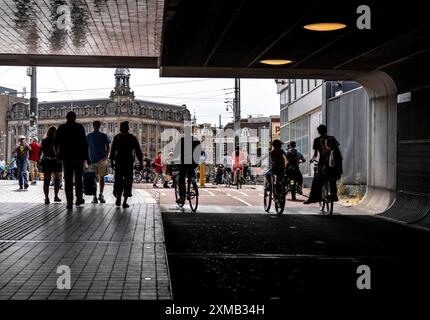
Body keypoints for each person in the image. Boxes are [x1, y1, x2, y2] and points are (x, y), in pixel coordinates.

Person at [54, 111, 89, 209]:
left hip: (66, 157)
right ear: (75, 117)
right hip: (78, 156)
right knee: (78, 178)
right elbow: (84, 143)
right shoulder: (80, 127)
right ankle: (79, 198)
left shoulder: (61, 128)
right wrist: (86, 157)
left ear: (66, 117)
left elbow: (55, 142)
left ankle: (69, 201)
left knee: (68, 179)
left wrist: (57, 153)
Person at [304, 124, 342, 204]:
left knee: (317, 180)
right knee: (332, 178)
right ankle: (334, 195)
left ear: (318, 132)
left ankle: (314, 198)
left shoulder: (317, 140)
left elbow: (315, 155)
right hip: (335, 166)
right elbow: (337, 152)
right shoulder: (332, 139)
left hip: (323, 164)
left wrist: (311, 160)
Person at [109, 121, 143, 208]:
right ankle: (124, 202)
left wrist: (112, 162)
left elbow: (112, 151)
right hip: (128, 162)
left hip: (119, 161)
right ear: (128, 128)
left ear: (120, 128)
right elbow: (138, 151)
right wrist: (141, 162)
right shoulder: (132, 138)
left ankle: (118, 198)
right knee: (128, 182)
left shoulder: (117, 137)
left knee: (118, 180)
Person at [86, 121, 111, 204]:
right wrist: (106, 156)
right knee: (99, 178)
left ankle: (97, 196)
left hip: (97, 160)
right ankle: (97, 195)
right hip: (96, 160)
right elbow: (108, 147)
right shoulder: (102, 135)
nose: (96, 126)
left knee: (96, 178)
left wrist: (106, 156)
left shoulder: (89, 136)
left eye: (97, 125)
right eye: (96, 125)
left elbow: (108, 147)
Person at [173, 134, 202, 205]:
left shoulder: (181, 140)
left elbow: (176, 153)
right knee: (191, 171)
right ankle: (193, 182)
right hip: (194, 163)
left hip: (184, 162)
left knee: (181, 177)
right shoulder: (196, 140)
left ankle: (182, 197)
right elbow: (200, 151)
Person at [38, 127, 62, 204]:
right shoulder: (57, 140)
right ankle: (56, 196)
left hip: (47, 161)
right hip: (55, 161)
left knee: (46, 180)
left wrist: (38, 160)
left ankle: (47, 198)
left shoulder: (44, 140)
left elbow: (40, 151)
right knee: (57, 179)